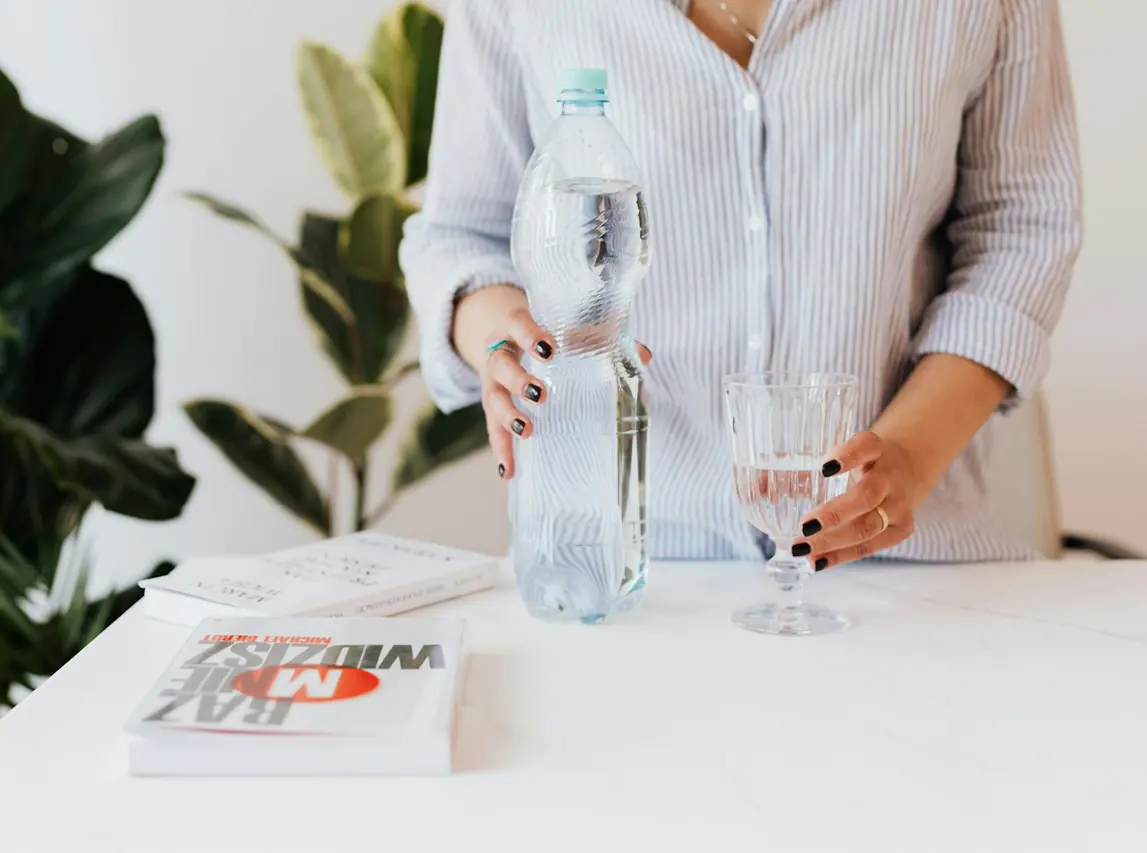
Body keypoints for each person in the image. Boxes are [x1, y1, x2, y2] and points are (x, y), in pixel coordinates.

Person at [399, 0, 1082, 568]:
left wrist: (907, 453)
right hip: (615, 573)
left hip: (904, 580)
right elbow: (462, 236)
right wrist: (504, 340)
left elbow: (1022, 229)